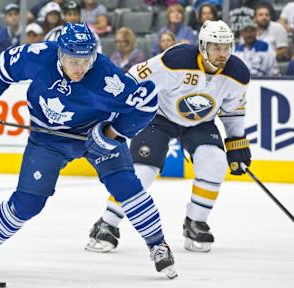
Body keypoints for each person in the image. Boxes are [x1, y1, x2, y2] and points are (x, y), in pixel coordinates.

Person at [0, 23, 177, 279]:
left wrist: (112, 134)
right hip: (47, 139)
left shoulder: (106, 77)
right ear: (59, 53)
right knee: (28, 203)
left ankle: (158, 244)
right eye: (73, 60)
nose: (80, 68)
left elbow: (147, 103)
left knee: (126, 186)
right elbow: (3, 67)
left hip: (96, 136)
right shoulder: (37, 57)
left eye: (86, 60)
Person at [85, 20, 252, 254]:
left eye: (226, 47)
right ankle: (107, 223)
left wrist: (236, 141)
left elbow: (233, 110)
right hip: (158, 117)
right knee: (142, 171)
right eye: (216, 47)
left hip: (200, 123)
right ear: (203, 46)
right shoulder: (176, 60)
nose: (222, 53)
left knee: (215, 160)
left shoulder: (238, 73)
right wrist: (115, 109)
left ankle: (196, 222)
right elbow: (135, 77)